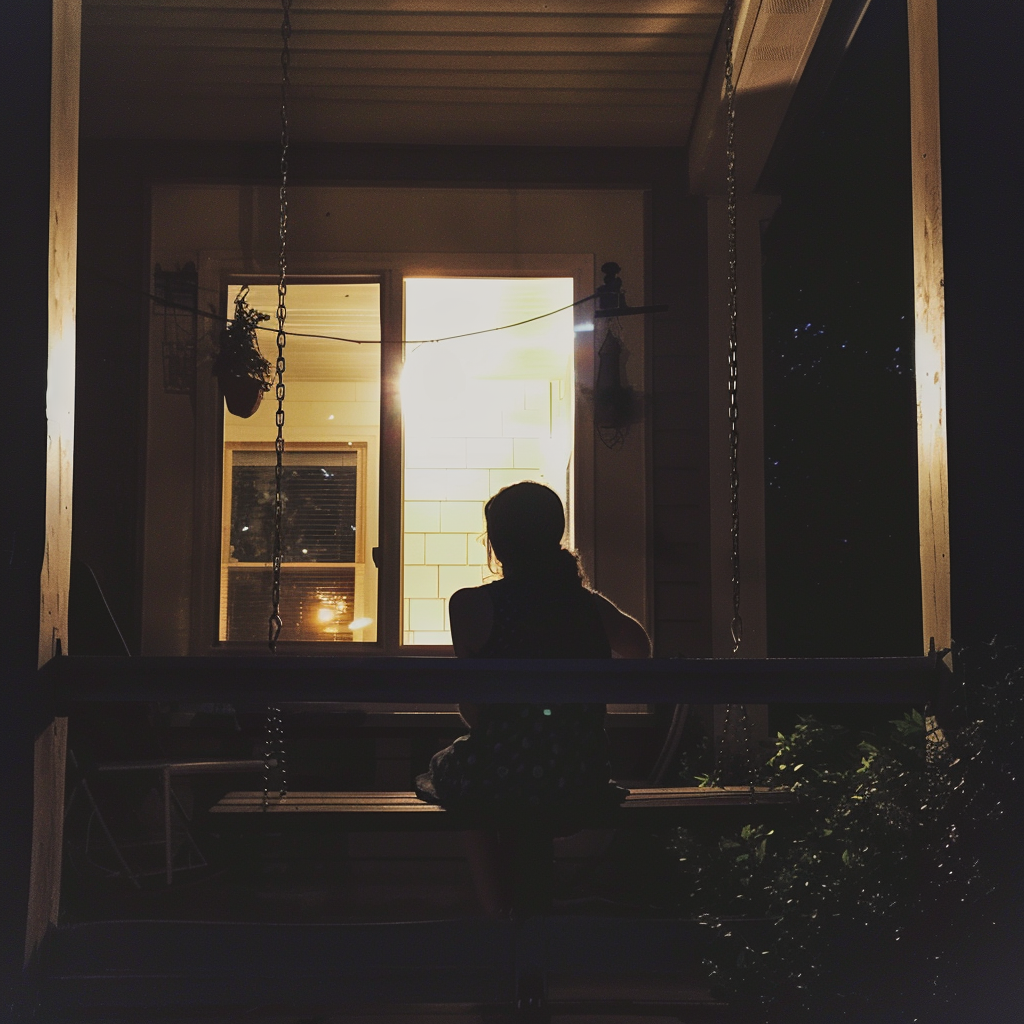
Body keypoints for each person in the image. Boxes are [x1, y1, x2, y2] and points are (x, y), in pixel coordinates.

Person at [414, 481, 650, 913]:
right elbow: (639, 648)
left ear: (497, 544)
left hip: (501, 775)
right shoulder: (587, 608)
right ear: (554, 537)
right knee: (505, 785)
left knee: (459, 778)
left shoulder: (469, 606)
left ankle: (497, 910)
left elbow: (473, 712)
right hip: (577, 774)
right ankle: (531, 909)